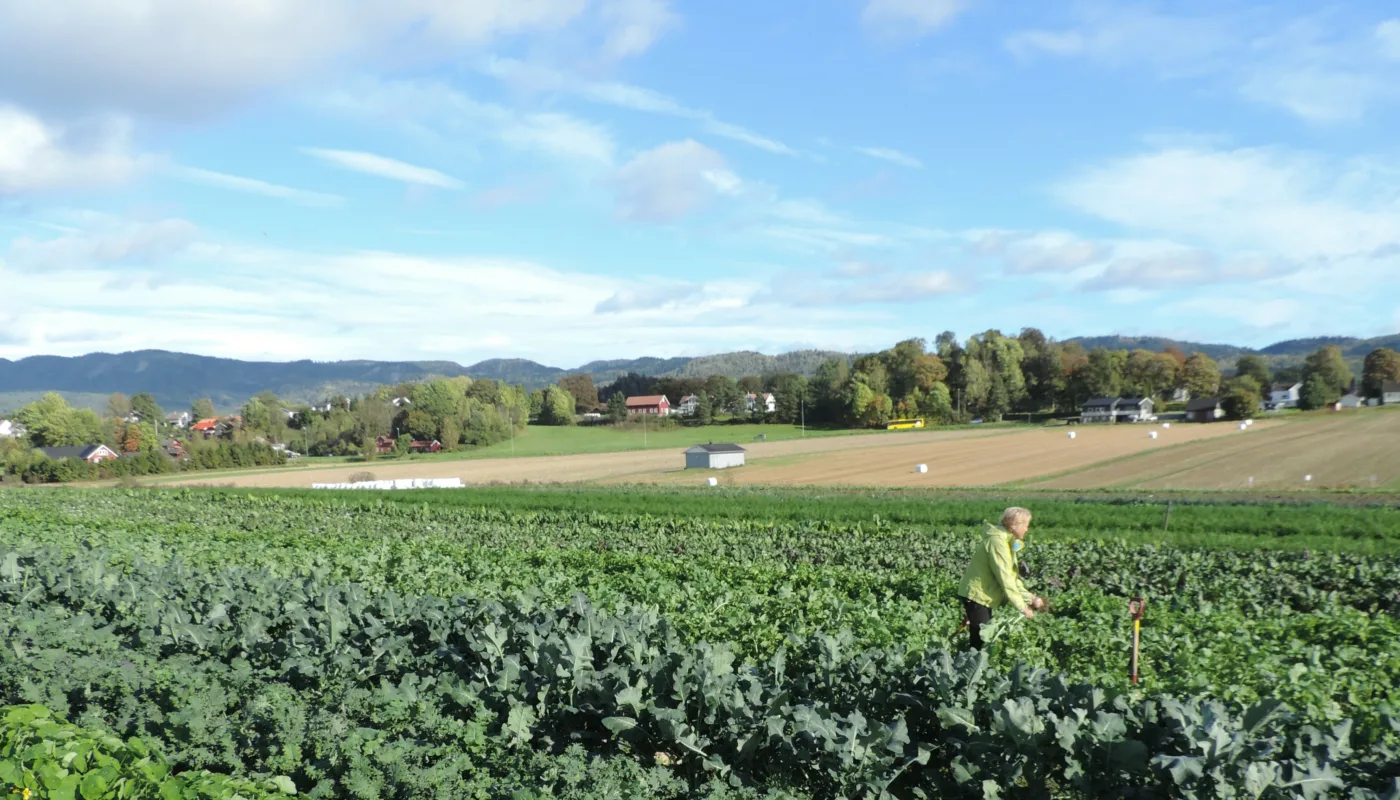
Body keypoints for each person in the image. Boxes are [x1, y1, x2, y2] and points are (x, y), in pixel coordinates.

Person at [957, 506, 1045, 650]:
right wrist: (1021, 607)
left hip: (984, 596)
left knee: (980, 637)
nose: (1027, 529)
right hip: (978, 595)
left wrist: (1030, 598)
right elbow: (1005, 578)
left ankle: (969, 663)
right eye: (1025, 525)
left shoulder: (1006, 541)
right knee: (981, 641)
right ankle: (969, 666)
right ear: (1014, 525)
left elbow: (1011, 577)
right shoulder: (998, 543)